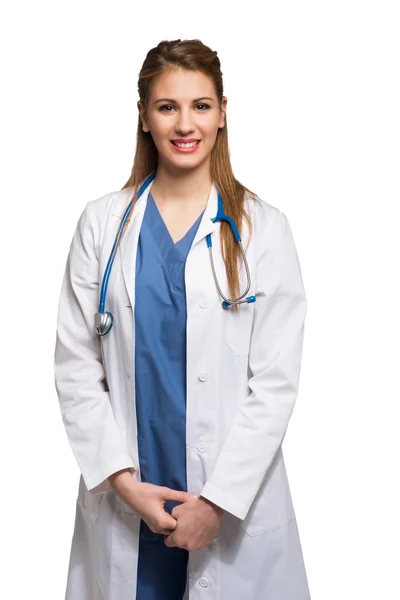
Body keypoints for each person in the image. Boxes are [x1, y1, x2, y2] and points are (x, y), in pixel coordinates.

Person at [54, 38, 311, 600]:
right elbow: (76, 368)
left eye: (200, 105)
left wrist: (217, 503)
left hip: (228, 507)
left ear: (223, 114)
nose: (184, 123)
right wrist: (123, 485)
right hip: (130, 501)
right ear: (144, 117)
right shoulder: (102, 225)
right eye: (167, 106)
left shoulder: (263, 229)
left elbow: (275, 383)